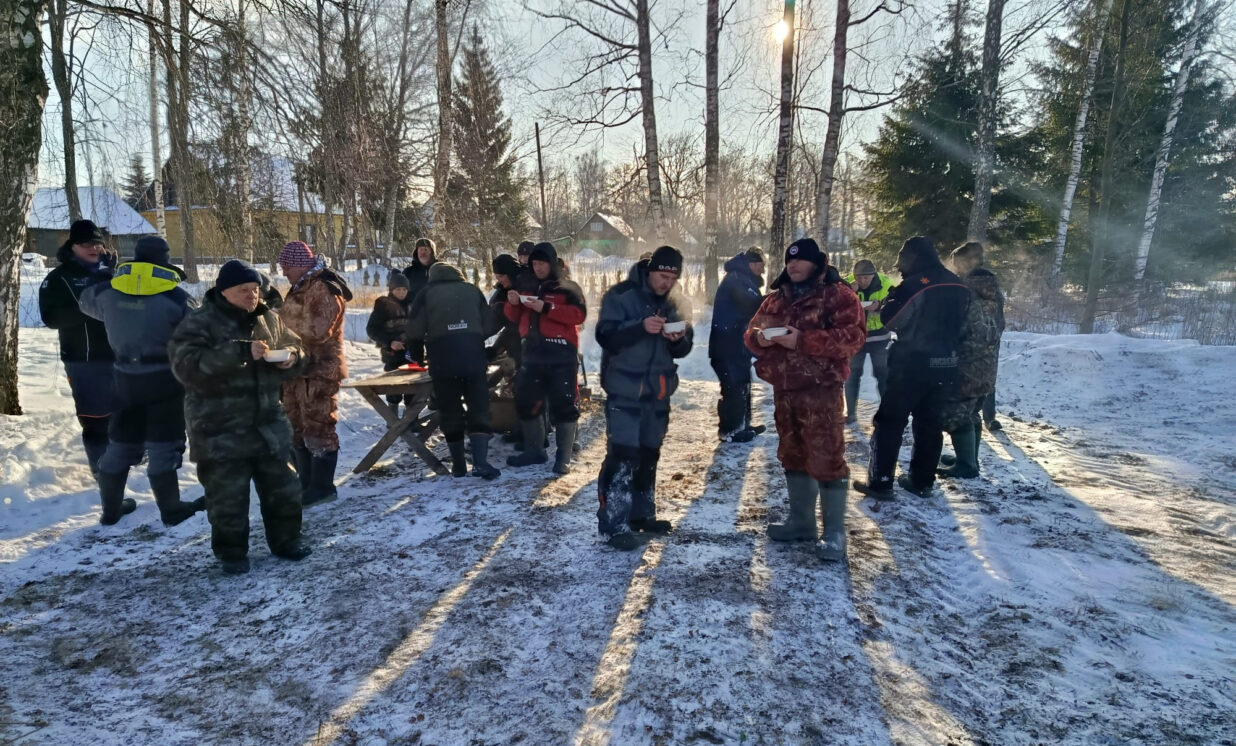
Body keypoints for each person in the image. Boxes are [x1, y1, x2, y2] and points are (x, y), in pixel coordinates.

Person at [168, 260, 311, 574]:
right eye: (243, 290)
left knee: (284, 489)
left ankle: (287, 541)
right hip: (219, 427)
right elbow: (186, 367)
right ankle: (231, 554)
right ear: (223, 292)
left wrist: (292, 358)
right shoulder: (200, 322)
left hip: (267, 423)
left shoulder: (268, 318)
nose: (252, 295)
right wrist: (240, 352)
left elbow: (295, 346)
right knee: (227, 497)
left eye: (255, 289)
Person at [743, 238, 866, 562]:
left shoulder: (838, 296)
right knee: (792, 454)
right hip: (784, 390)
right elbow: (751, 332)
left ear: (816, 263)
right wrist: (759, 338)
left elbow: (853, 338)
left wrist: (803, 340)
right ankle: (801, 522)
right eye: (789, 260)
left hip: (821, 391)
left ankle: (834, 533)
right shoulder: (776, 298)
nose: (793, 265)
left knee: (827, 456)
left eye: (800, 260)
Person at [79, 236, 205, 527]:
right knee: (164, 443)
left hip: (124, 379)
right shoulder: (175, 297)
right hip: (164, 379)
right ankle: (171, 509)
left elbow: (85, 302)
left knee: (121, 441)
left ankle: (111, 510)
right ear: (164, 260)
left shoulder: (109, 291)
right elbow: (200, 330)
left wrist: (102, 272)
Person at [855, 236, 970, 499]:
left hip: (912, 364)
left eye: (901, 262)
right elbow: (967, 325)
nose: (900, 267)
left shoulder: (914, 285)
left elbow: (892, 320)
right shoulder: (958, 284)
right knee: (930, 423)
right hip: (948, 363)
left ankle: (881, 482)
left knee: (890, 421)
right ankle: (922, 481)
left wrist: (889, 303)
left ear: (910, 259)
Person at [595, 246, 694, 550]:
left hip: (659, 390)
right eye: (663, 276)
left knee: (649, 454)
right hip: (624, 389)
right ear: (650, 270)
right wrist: (640, 328)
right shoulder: (621, 295)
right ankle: (614, 524)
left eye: (673, 278)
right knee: (623, 454)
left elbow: (684, 347)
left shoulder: (676, 302)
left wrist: (678, 340)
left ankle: (641, 515)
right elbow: (605, 336)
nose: (667, 283)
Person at [406, 262, 502, 479]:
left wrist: (418, 355)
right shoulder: (472, 290)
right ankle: (480, 463)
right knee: (478, 407)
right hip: (472, 358)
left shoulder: (425, 294)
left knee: (450, 410)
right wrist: (471, 335)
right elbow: (489, 325)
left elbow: (414, 330)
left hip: (443, 360)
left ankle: (458, 465)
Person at [38, 219, 117, 479]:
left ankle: (123, 456)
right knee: (95, 418)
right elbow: (51, 318)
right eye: (86, 243)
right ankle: (103, 471)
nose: (93, 248)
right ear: (72, 246)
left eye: (97, 243)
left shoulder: (113, 273)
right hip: (84, 359)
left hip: (121, 355)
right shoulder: (58, 278)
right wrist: (91, 306)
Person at [276, 240, 352, 508]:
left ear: (300, 265)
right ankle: (306, 483)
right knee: (296, 427)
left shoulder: (324, 287)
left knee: (318, 427)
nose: (284, 272)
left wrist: (281, 330)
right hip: (296, 369)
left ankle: (322, 487)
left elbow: (317, 330)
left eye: (287, 267)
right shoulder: (300, 286)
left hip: (320, 370)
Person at [503, 241, 586, 474]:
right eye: (535, 264)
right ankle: (535, 450)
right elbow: (514, 316)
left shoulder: (568, 287)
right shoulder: (526, 284)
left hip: (561, 350)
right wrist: (512, 304)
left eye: (542, 263)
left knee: (564, 403)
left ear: (551, 263)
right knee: (528, 400)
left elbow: (579, 315)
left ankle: (563, 457)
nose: (538, 268)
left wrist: (546, 308)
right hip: (532, 350)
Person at [937, 241, 1005, 479]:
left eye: (956, 263)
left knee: (956, 413)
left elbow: (957, 327)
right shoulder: (992, 289)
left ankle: (967, 465)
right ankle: (969, 458)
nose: (954, 268)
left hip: (967, 362)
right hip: (988, 362)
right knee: (973, 409)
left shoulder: (964, 291)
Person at [708, 247, 767, 443]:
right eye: (759, 264)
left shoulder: (744, 279)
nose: (761, 268)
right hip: (726, 345)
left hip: (737, 344)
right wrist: (775, 298)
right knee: (733, 387)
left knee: (743, 384)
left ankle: (743, 424)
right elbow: (751, 304)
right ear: (749, 263)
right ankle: (730, 430)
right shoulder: (736, 279)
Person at [843, 259, 893, 424]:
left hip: (880, 337)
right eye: (859, 277)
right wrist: (850, 293)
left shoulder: (886, 284)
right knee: (852, 375)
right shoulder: (848, 285)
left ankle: (886, 413)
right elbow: (838, 307)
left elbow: (895, 306)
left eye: (866, 278)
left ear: (874, 275)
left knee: (883, 375)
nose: (862, 281)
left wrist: (879, 307)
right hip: (856, 338)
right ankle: (851, 413)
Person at [366, 271, 413, 414]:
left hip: (413, 353)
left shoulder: (414, 304)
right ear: (392, 289)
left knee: (413, 388)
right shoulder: (383, 305)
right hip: (392, 354)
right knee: (394, 388)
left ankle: (411, 418)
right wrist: (390, 342)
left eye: (404, 289)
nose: (401, 292)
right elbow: (371, 330)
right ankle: (392, 418)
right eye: (398, 289)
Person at [402, 238, 439, 365]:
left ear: (432, 252)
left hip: (436, 316)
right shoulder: (408, 272)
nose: (423, 252)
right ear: (416, 252)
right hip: (415, 317)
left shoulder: (440, 270)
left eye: (426, 249)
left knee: (436, 353)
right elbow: (399, 294)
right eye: (420, 249)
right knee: (415, 355)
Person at [488, 253, 523, 368]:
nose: (499, 281)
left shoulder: (526, 286)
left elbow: (515, 327)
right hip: (514, 338)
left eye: (501, 276)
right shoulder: (502, 291)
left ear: (510, 273)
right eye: (497, 277)